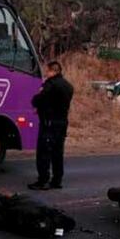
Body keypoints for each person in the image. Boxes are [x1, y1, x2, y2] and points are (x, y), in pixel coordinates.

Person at [29, 60, 74, 190]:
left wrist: (36, 102)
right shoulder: (68, 86)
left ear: (53, 71)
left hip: (49, 122)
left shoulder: (50, 84)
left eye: (47, 71)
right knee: (58, 153)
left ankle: (43, 180)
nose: (46, 73)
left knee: (44, 152)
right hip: (62, 122)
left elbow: (39, 99)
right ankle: (57, 180)